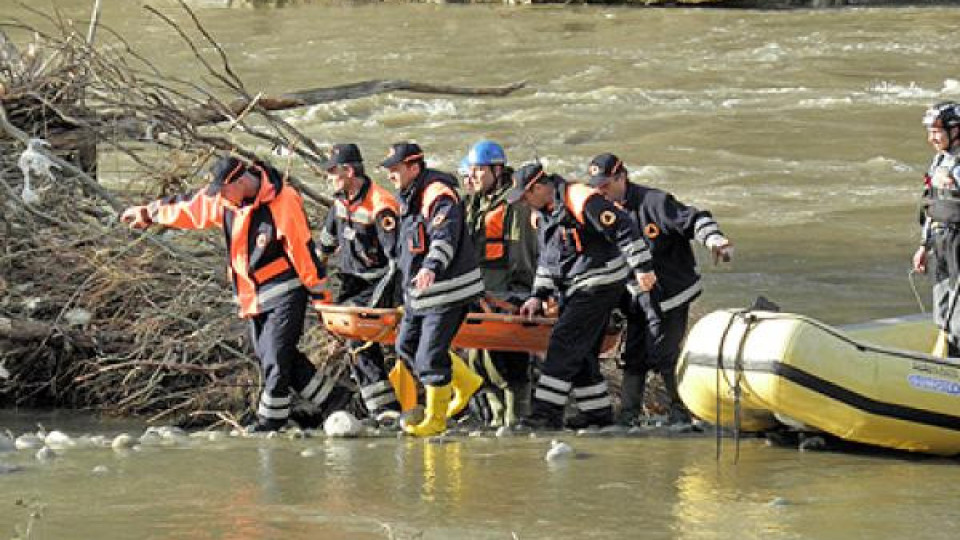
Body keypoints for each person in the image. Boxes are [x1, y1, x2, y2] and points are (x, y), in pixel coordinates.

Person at [120, 155, 346, 432]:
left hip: (285, 290)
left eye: (225, 190)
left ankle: (271, 423)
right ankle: (336, 400)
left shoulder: (282, 201)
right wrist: (147, 213)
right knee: (273, 356)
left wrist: (321, 298)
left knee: (275, 357)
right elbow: (189, 208)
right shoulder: (226, 199)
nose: (221, 197)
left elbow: (302, 252)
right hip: (253, 295)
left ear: (241, 181)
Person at [586, 153, 733, 426]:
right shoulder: (602, 211)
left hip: (671, 293)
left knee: (664, 353)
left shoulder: (653, 202)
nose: (601, 192)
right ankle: (629, 414)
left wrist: (714, 240)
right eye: (596, 187)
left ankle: (683, 411)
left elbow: (694, 219)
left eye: (605, 185)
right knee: (634, 354)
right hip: (635, 296)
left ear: (622, 177)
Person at [507, 162, 656, 430]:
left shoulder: (580, 198)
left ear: (539, 187)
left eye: (526, 196)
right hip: (576, 286)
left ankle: (546, 414)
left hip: (600, 282)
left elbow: (624, 227)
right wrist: (538, 295)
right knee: (583, 353)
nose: (525, 203)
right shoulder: (542, 214)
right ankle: (597, 414)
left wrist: (643, 268)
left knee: (563, 345)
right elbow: (548, 260)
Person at [382, 142, 485, 437]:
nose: (390, 174)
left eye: (395, 169)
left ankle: (435, 420)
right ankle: (464, 383)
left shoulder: (437, 194)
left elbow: (444, 236)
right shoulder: (409, 195)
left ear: (414, 167)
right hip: (420, 292)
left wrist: (431, 267)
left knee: (430, 356)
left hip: (447, 289)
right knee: (406, 346)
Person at [316, 144, 402, 422]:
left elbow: (396, 261)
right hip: (350, 283)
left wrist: (377, 301)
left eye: (333, 172)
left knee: (359, 337)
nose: (329, 177)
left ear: (349, 171)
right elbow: (326, 246)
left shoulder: (381, 205)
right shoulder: (341, 201)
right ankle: (381, 408)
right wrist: (312, 281)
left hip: (378, 284)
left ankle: (385, 410)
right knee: (356, 343)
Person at [462, 140, 538, 427]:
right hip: (482, 291)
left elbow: (523, 254)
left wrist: (519, 295)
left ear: (496, 169)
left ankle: (514, 419)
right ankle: (496, 418)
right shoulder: (477, 202)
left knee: (505, 364)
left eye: (479, 170)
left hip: (506, 291)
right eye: (471, 170)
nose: (474, 176)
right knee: (477, 361)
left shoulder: (513, 205)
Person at [915, 102, 960, 357]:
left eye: (937, 131)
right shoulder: (939, 161)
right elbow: (931, 207)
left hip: (958, 242)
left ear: (955, 131)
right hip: (940, 242)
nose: (931, 138)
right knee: (942, 308)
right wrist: (923, 246)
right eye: (930, 131)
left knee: (958, 312)